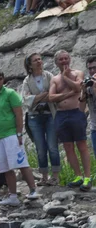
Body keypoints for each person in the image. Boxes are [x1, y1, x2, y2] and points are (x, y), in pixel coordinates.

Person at [0, 69, 39, 206]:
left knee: (21, 163)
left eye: (0, 79)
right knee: (5, 167)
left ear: (3, 80)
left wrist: (19, 133)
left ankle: (33, 189)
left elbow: (19, 115)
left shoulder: (10, 93)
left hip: (11, 135)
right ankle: (13, 195)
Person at [50, 50, 91, 191]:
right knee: (68, 146)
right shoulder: (54, 79)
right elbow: (51, 97)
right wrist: (68, 93)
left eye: (66, 58)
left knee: (82, 144)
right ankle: (78, 175)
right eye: (61, 59)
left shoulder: (77, 73)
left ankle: (87, 177)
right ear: (56, 62)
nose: (64, 61)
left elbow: (78, 87)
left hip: (76, 112)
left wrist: (66, 77)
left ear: (70, 59)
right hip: (61, 115)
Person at [21, 53, 59, 186]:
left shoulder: (49, 76)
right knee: (40, 148)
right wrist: (44, 95)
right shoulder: (27, 80)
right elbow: (25, 100)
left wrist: (35, 97)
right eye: (35, 60)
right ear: (30, 65)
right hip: (34, 116)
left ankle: (55, 176)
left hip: (50, 114)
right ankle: (44, 176)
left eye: (39, 59)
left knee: (52, 146)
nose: (39, 62)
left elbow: (53, 95)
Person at [80, 56, 96, 157]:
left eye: (95, 67)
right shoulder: (89, 84)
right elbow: (81, 109)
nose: (92, 70)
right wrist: (83, 91)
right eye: (90, 68)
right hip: (94, 127)